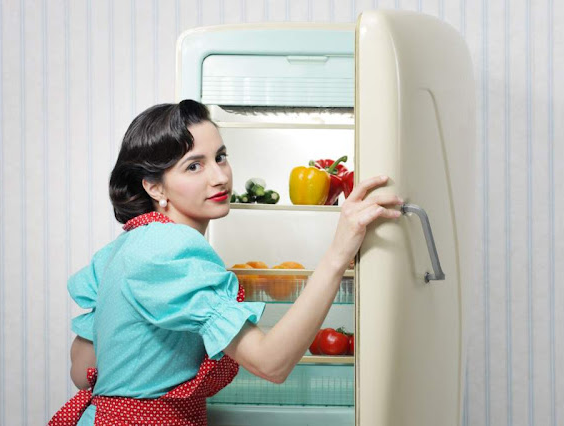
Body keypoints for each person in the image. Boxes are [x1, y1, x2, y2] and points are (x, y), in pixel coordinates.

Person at [49, 99, 403, 425]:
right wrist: (339, 252)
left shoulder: (124, 247)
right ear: (155, 187)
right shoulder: (172, 248)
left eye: (220, 156)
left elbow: (83, 370)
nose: (219, 177)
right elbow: (271, 363)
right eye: (193, 166)